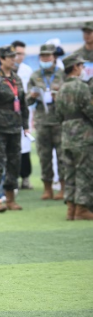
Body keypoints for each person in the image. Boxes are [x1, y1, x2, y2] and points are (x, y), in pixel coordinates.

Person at [0, 45, 29, 213]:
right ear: (1, 59)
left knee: (14, 163)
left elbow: (23, 103)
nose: (13, 60)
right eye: (10, 57)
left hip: (15, 127)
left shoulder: (17, 79)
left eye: (14, 56)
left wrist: (26, 125)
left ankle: (10, 199)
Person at [55, 54, 93, 220]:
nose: (83, 69)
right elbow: (89, 110)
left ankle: (70, 209)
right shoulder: (82, 87)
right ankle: (82, 208)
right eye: (81, 66)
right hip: (83, 135)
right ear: (75, 67)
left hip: (66, 135)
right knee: (84, 172)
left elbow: (58, 115)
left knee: (69, 173)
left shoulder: (61, 88)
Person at [26, 44, 65, 200]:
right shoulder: (35, 76)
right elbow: (26, 101)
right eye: (42, 56)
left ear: (54, 57)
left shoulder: (62, 74)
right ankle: (47, 189)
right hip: (42, 122)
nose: (45, 59)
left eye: (48, 56)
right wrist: (32, 96)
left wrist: (59, 96)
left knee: (62, 156)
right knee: (44, 156)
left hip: (59, 121)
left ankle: (63, 188)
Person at [11, 40, 34, 191]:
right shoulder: (3, 72)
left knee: (25, 145)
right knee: (11, 147)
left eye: (23, 54)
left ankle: (25, 178)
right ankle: (12, 179)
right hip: (8, 115)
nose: (20, 57)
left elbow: (31, 91)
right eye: (18, 53)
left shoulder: (27, 71)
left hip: (24, 113)